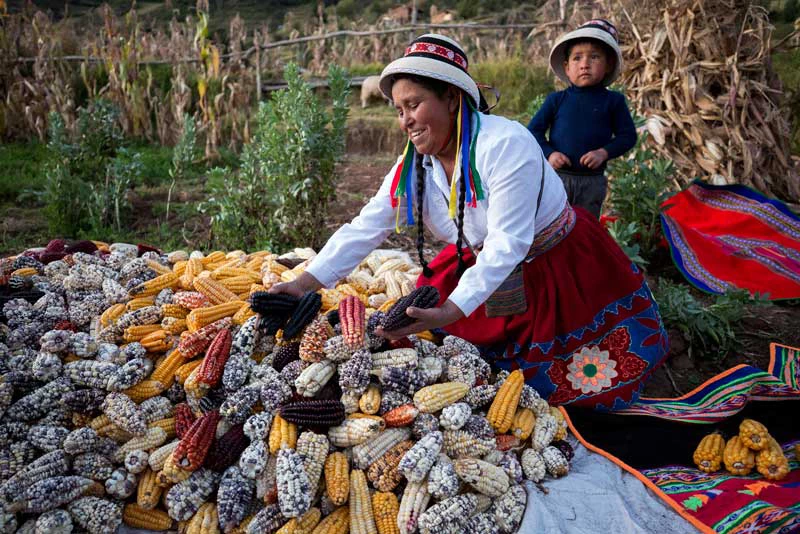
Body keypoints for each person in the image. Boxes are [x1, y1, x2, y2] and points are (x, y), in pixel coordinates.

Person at [270, 34, 668, 410]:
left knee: (569, 383)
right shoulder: (416, 164)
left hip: (554, 263)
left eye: (414, 104)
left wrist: (455, 308)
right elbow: (366, 226)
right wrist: (306, 283)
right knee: (455, 352)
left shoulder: (505, 145)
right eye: (398, 110)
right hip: (485, 263)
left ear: (453, 99)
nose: (405, 120)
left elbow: (508, 242)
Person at [528, 19, 637, 219]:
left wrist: (603, 153)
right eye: (577, 58)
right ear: (567, 67)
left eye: (594, 57)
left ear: (608, 64)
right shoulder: (556, 100)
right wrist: (550, 154)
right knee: (551, 225)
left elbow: (627, 136)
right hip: (557, 178)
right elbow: (533, 131)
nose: (585, 64)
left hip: (592, 182)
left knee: (585, 228)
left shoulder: (613, 101)